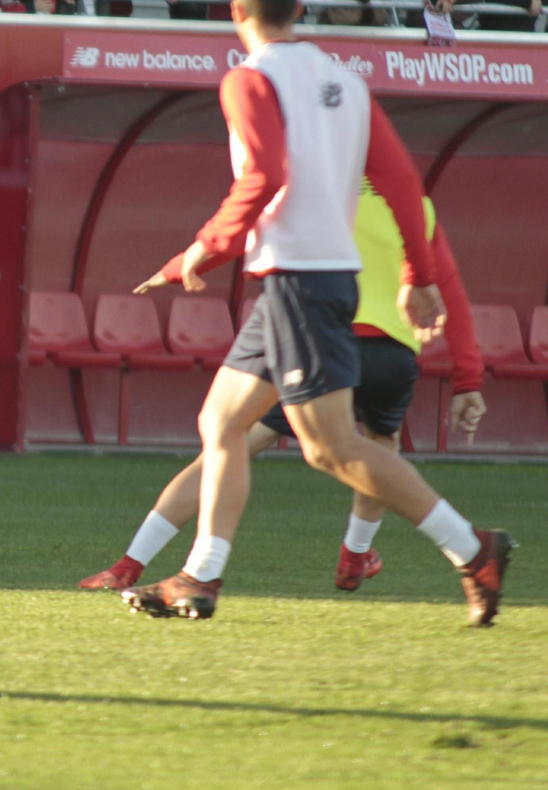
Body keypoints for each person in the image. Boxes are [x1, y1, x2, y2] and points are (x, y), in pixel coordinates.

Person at [119, 0, 511, 627]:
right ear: (300, 8)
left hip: (299, 281)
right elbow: (399, 185)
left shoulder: (247, 79)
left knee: (333, 449)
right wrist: (418, 277)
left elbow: (264, 175)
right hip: (307, 283)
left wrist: (204, 250)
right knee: (221, 423)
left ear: (234, 12)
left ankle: (472, 548)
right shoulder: (345, 81)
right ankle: (200, 577)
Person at [88, 184, 486, 593]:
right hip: (392, 355)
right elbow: (449, 291)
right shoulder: (415, 204)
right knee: (379, 444)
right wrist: (467, 380)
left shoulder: (312, 186)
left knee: (227, 438)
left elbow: (235, 231)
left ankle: (134, 563)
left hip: (318, 342)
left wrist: (176, 268)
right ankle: (356, 555)